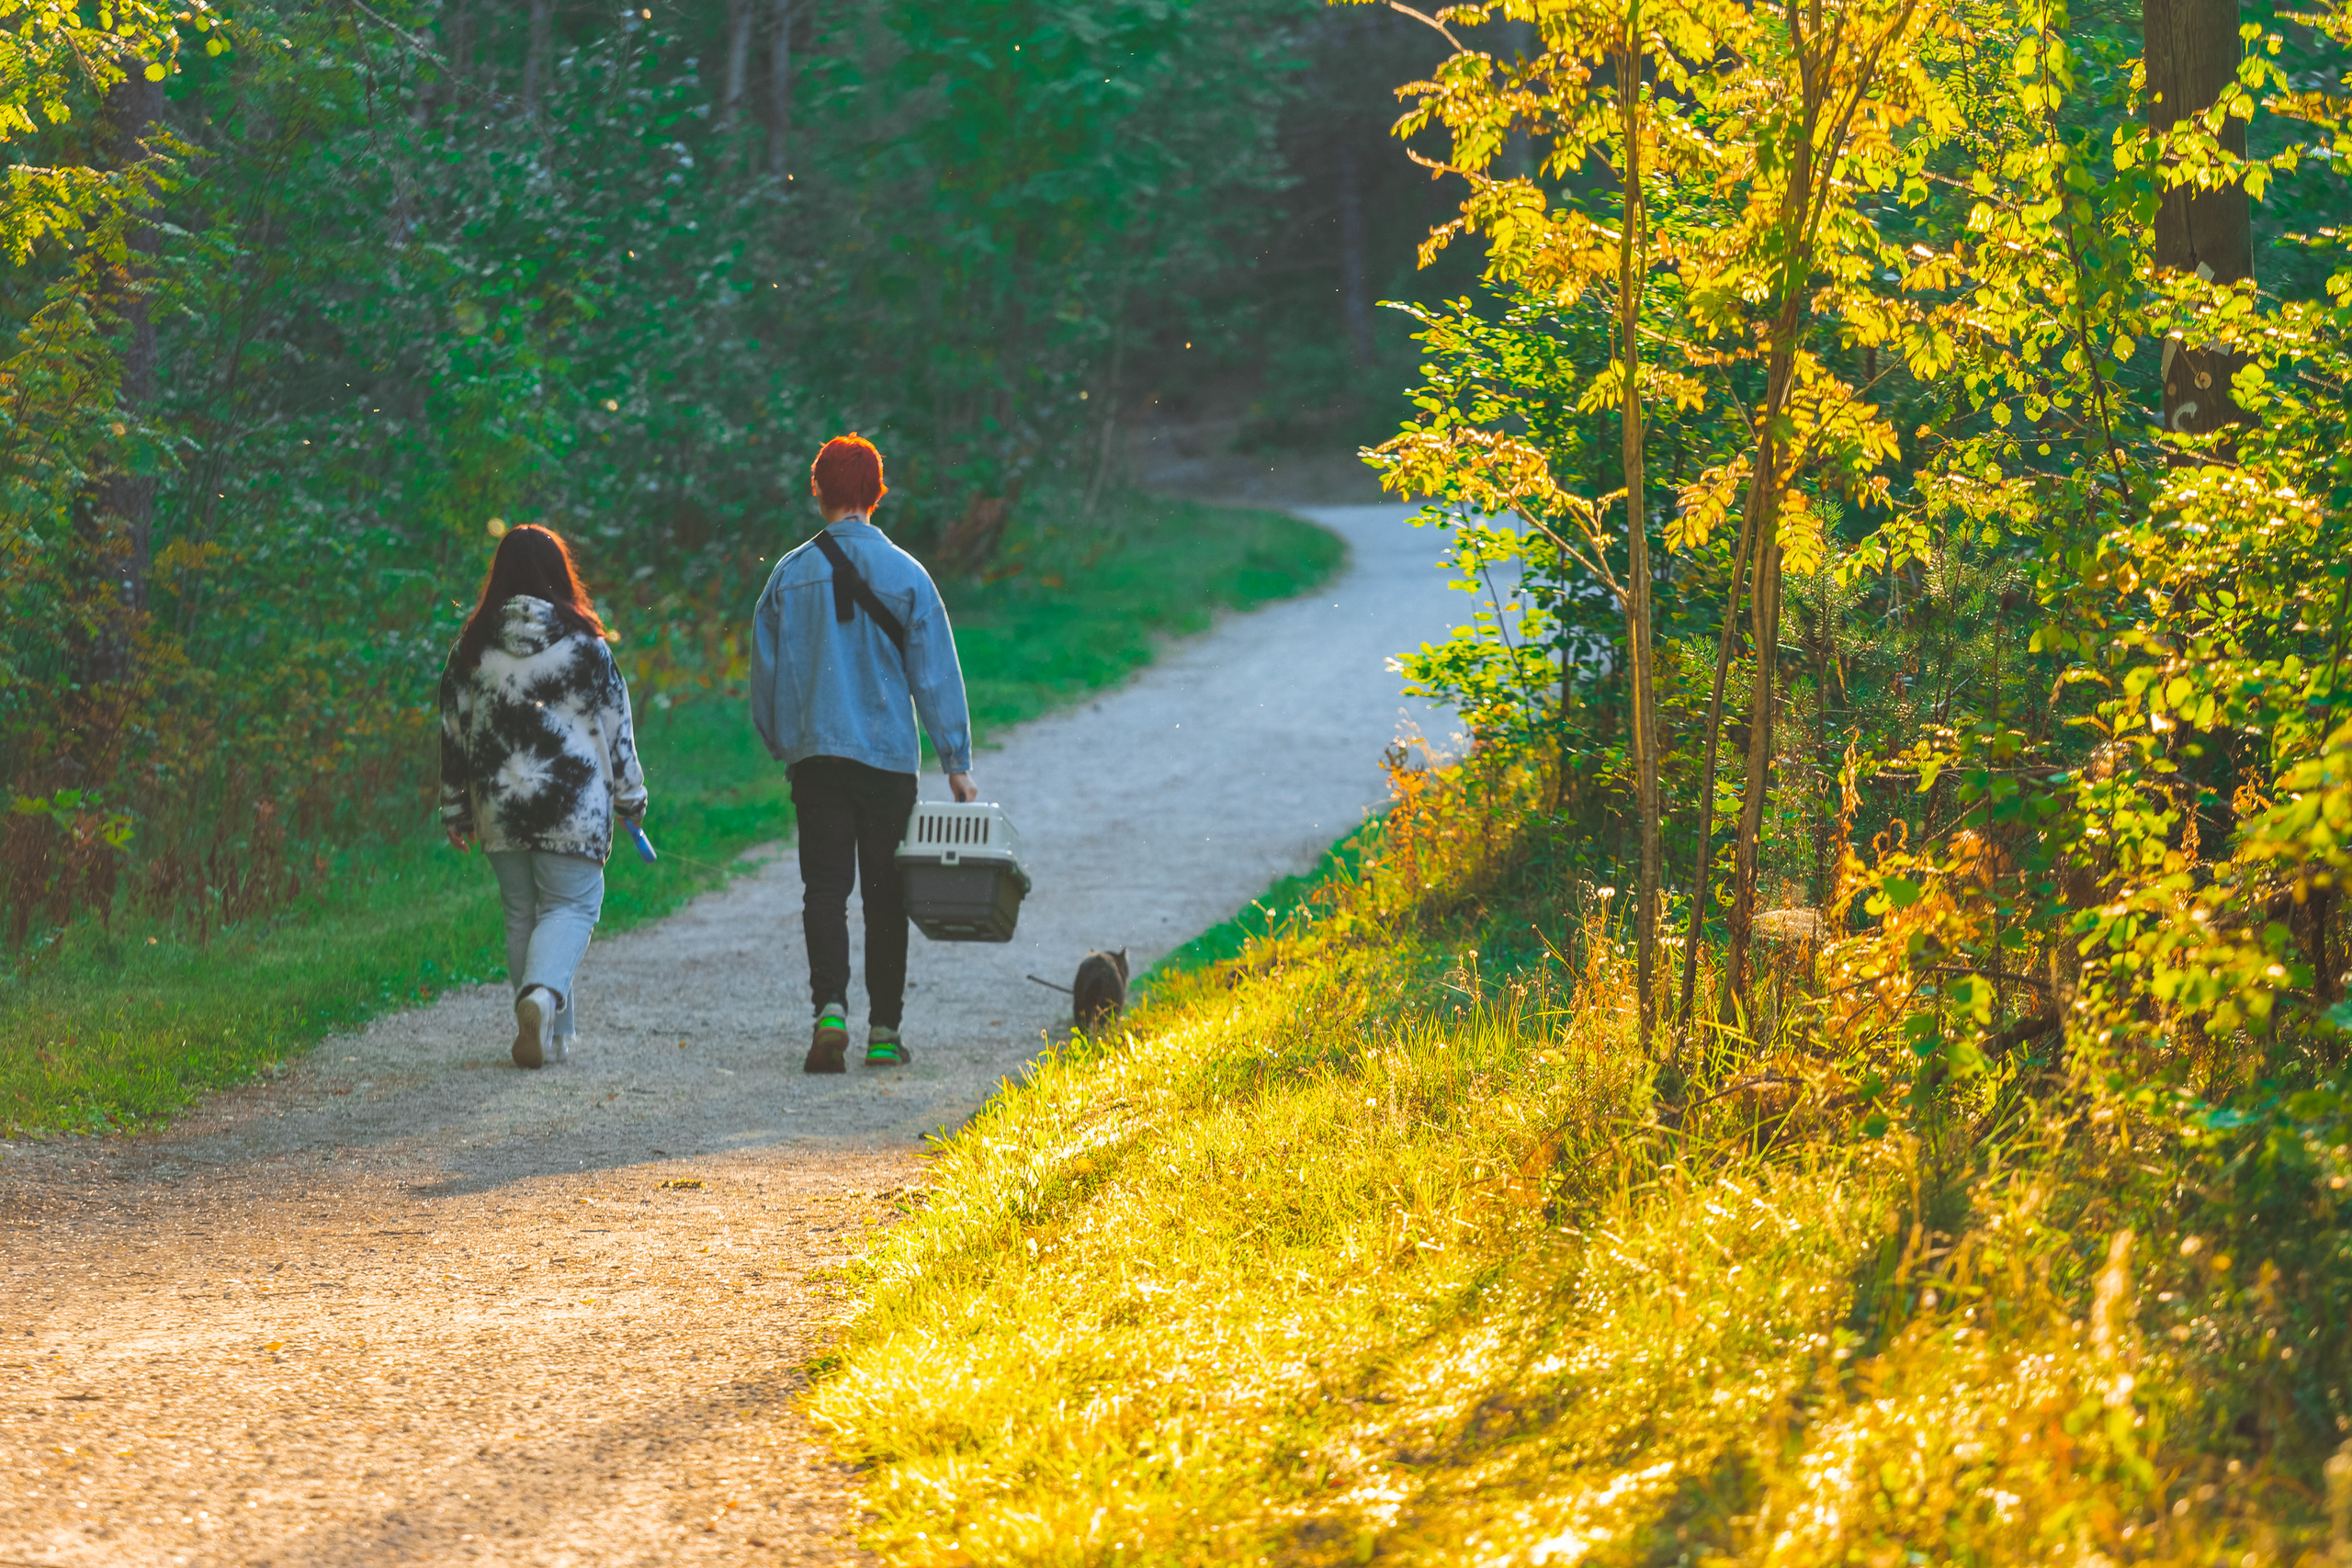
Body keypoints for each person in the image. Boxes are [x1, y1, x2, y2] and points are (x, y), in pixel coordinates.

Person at [752, 434, 977, 1074]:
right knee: (885, 895)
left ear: (817, 490)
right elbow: (935, 673)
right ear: (878, 493)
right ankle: (883, 1032)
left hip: (817, 757)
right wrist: (956, 762)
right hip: (887, 760)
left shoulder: (788, 574)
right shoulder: (909, 575)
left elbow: (766, 670)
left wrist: (783, 740)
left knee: (824, 888)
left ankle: (829, 1011)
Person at [438, 525, 649, 1070]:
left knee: (521, 915)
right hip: (571, 805)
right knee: (572, 906)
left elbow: (454, 733)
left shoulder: (471, 649)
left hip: (499, 803)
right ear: (560, 574)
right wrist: (631, 798)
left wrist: (455, 808)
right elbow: (617, 730)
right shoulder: (587, 646)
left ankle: (550, 1034)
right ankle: (540, 998)